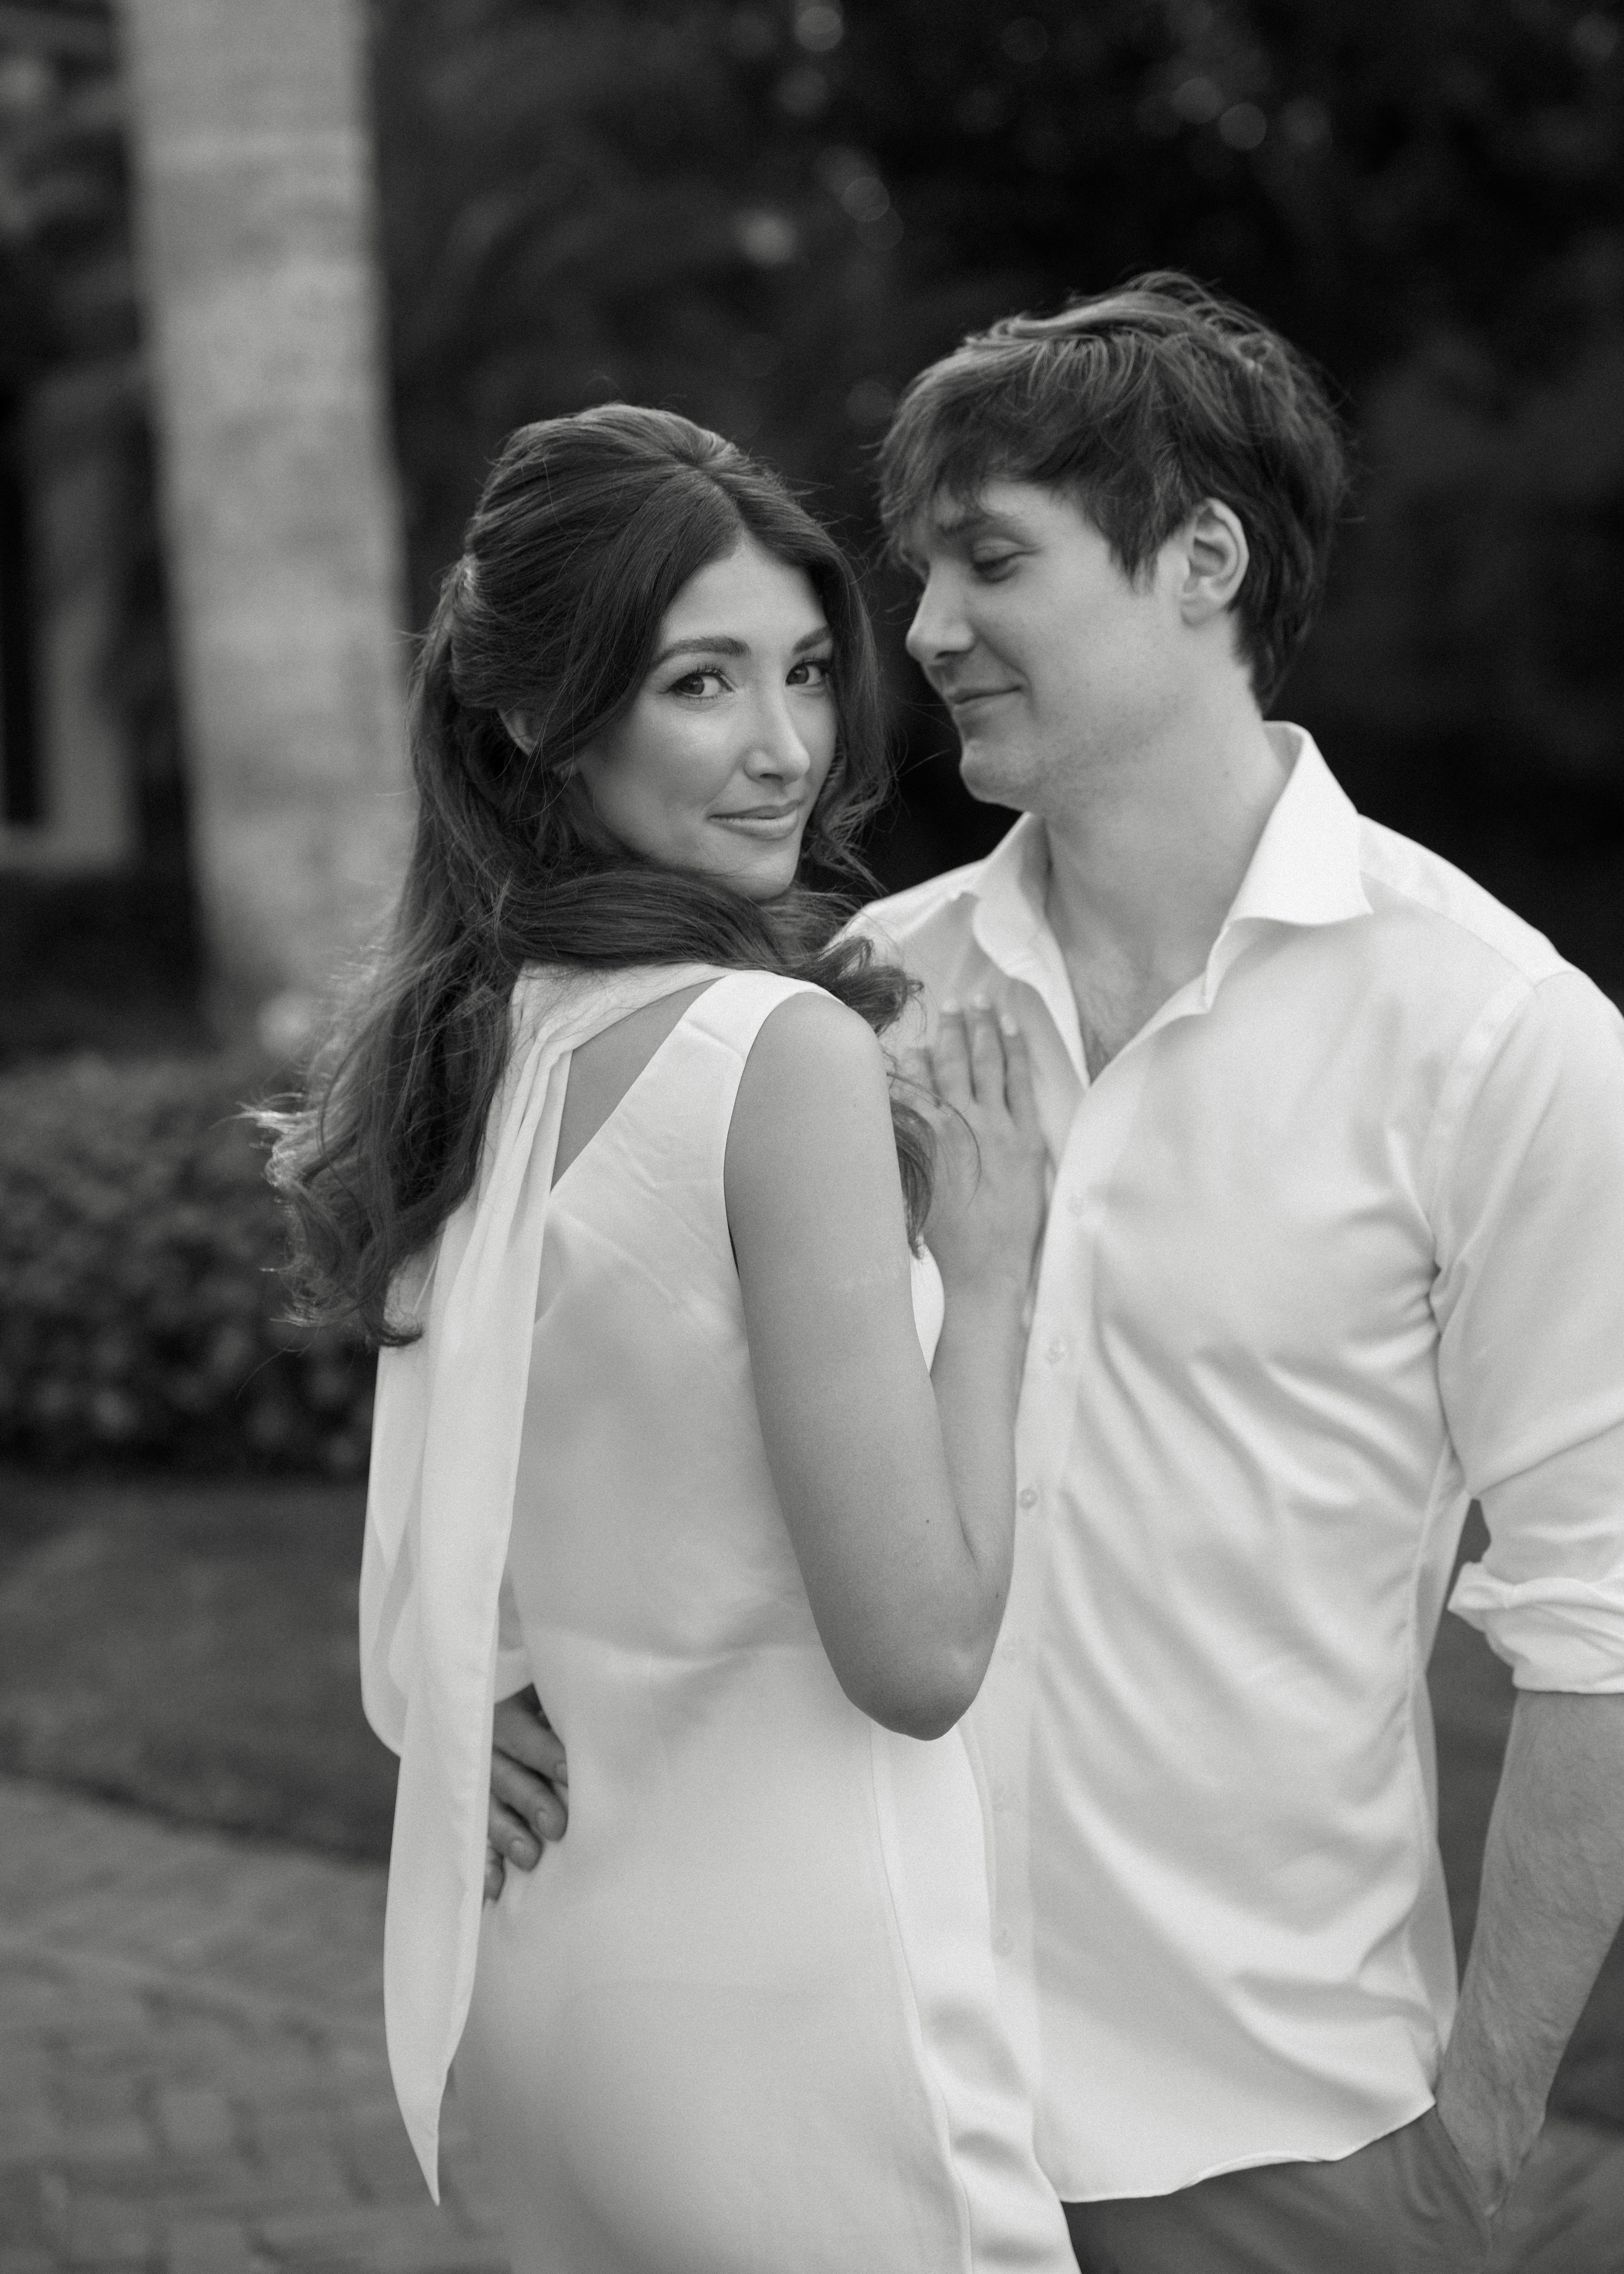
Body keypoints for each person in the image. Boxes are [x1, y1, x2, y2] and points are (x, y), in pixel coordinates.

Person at [487, 278, 1624, 2273]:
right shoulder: (843, 1002)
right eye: (920, 571)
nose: (917, 634)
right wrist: (474, 1669)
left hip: (1267, 2140)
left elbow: (1599, 1631)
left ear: (1203, 562)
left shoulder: (1496, 1038)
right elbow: (597, 1387)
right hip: (844, 2112)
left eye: (989, 561)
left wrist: (1472, 2144)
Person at [267, 403, 1075, 2274]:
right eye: (699, 684)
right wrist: (995, 1258)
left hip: (561, 2004)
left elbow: (461, 1504)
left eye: (801, 671)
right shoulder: (769, 1055)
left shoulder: (485, 1046)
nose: (783, 747)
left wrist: (451, 1688)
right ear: (543, 721)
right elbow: (920, 1648)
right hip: (805, 2033)